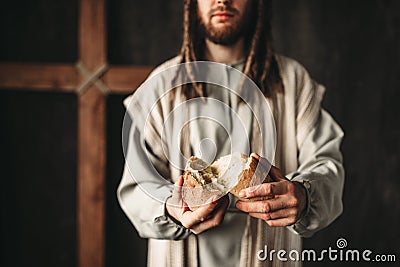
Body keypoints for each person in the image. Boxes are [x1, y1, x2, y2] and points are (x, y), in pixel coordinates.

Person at [117, 0, 344, 266]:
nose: (222, 0)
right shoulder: (161, 86)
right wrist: (170, 208)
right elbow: (137, 186)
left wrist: (304, 195)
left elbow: (327, 165)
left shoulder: (293, 80)